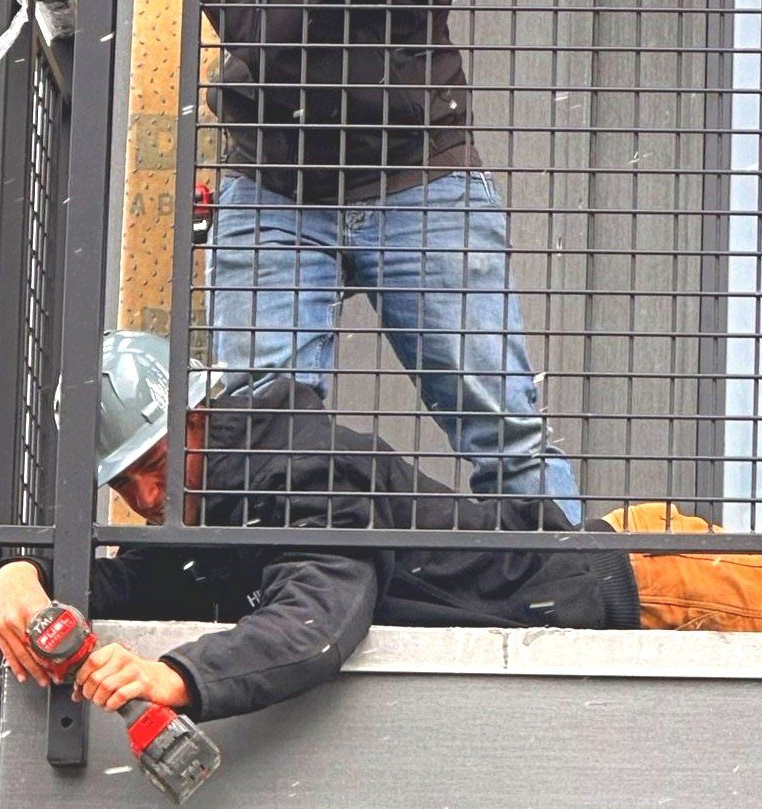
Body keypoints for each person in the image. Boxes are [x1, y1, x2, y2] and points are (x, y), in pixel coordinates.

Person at [0, 332, 762, 724]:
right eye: (121, 491)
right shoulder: (214, 514)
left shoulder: (293, 466)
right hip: (622, 592)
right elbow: (121, 585)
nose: (136, 503)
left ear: (191, 423)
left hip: (655, 584)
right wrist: (20, 586)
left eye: (139, 473)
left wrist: (181, 683)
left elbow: (318, 618)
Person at [201, 0, 584, 524]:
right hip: (272, 176)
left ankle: (573, 591)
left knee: (505, 427)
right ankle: (277, 597)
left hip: (419, 165)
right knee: (258, 432)